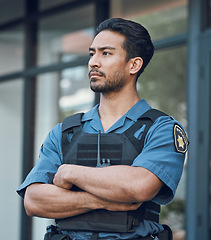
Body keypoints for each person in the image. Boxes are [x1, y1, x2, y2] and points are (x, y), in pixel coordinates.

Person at [17, 18, 188, 240]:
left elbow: (139, 186)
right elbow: (34, 200)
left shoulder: (161, 129)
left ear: (133, 65)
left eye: (105, 53)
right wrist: (98, 200)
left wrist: (70, 173)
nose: (93, 62)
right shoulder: (64, 132)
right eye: (91, 54)